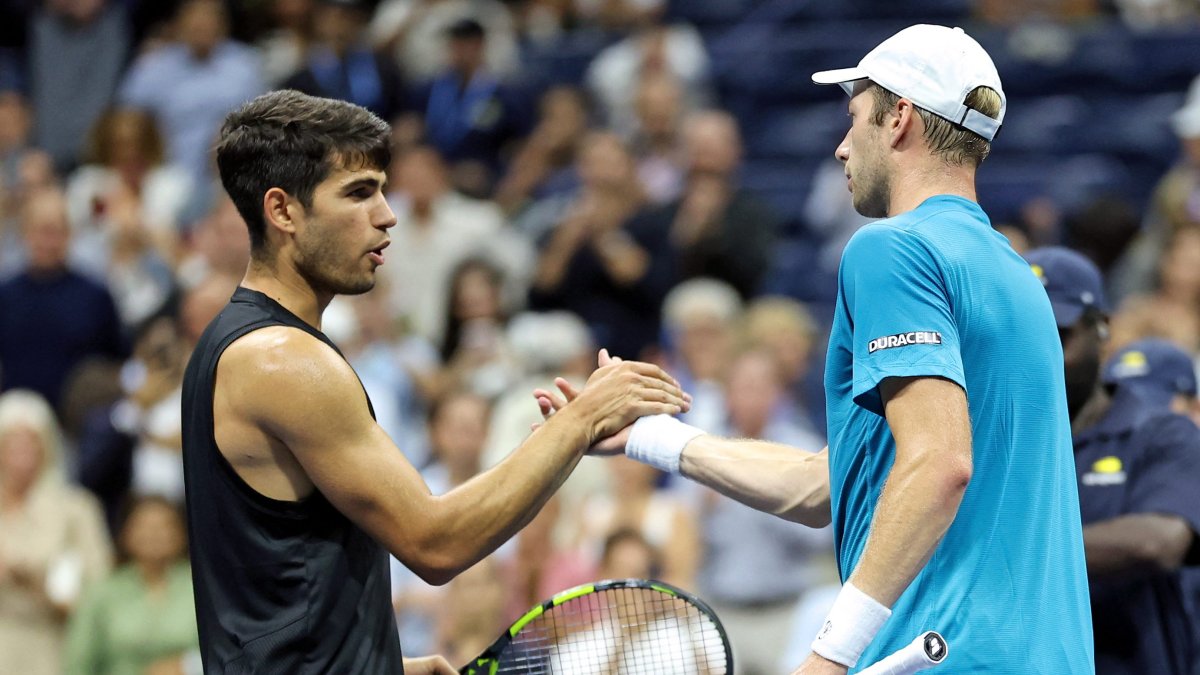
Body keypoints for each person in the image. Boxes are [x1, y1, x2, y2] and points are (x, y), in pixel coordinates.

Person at [537, 24, 1094, 673]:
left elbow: (939, 464)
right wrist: (651, 436)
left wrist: (828, 656)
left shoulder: (893, 248)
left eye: (854, 118)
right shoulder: (1018, 278)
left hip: (943, 658)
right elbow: (831, 483)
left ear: (900, 120)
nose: (839, 147)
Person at [180, 89, 687, 674]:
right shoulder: (281, 359)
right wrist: (583, 418)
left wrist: (380, 664)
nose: (387, 214)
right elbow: (436, 543)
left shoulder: (243, 343)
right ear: (283, 211)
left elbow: (279, 577)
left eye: (382, 190)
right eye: (359, 192)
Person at [1027, 247, 1200, 674]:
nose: (1039, 353)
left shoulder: (1159, 431)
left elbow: (1158, 541)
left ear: (1102, 329)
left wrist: (1010, 554)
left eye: (1059, 334)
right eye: (1024, 336)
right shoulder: (997, 441)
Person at [0, 389, 112, 675]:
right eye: (12, 441)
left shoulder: (76, 509)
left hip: (53, 645)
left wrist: (32, 581)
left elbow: (98, 594)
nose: (22, 451)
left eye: (31, 441)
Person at [64, 496, 199, 675]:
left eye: (164, 526)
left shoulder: (201, 590)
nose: (154, 534)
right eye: (144, 526)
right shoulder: (102, 592)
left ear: (182, 534)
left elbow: (225, 654)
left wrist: (187, 665)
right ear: (126, 534)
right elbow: (78, 662)